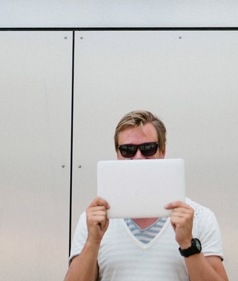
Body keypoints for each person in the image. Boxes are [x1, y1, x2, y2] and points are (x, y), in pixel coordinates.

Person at [65, 110, 229, 281]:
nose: (138, 158)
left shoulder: (199, 217)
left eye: (148, 148)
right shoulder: (94, 221)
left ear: (162, 152)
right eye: (128, 150)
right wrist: (93, 242)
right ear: (117, 155)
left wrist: (188, 244)